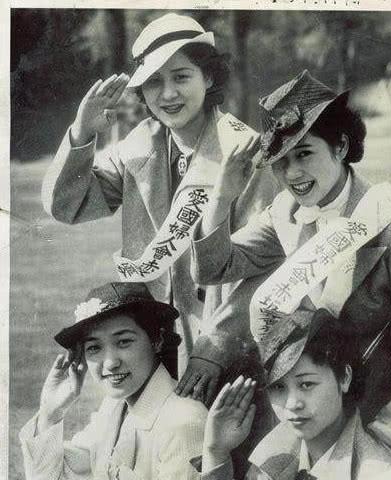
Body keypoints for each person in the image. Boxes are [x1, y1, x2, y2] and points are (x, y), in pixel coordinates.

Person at [41, 13, 280, 404]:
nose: (168, 94)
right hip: (150, 345)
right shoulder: (140, 145)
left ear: (208, 77)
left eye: (181, 77)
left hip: (222, 348)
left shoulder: (244, 152)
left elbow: (268, 264)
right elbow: (68, 206)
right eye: (154, 81)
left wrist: (217, 346)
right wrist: (82, 134)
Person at [191, 69, 391, 420]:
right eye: (280, 162)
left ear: (341, 146)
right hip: (301, 408)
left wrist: (384, 432)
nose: (292, 174)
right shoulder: (286, 213)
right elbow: (213, 268)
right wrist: (222, 197)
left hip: (379, 414)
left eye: (304, 154)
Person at [188, 310, 391, 480]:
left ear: (344, 378)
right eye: (278, 388)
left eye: (307, 384)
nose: (292, 403)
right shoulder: (277, 453)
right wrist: (216, 453)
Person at [20, 282, 208, 480]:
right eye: (94, 347)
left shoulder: (183, 422)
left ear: (157, 340)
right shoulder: (115, 408)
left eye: (124, 342)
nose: (110, 363)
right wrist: (51, 411)